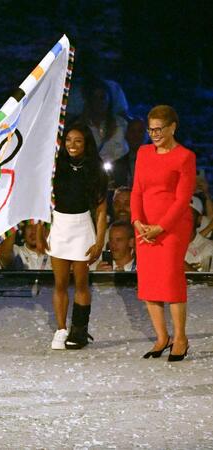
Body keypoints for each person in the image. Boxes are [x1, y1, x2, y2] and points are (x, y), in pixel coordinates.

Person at [131, 105, 196, 362]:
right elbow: (136, 190)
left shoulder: (185, 157)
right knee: (149, 283)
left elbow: (182, 200)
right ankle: (162, 337)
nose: (154, 134)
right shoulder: (143, 152)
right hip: (144, 227)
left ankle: (180, 338)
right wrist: (137, 221)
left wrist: (161, 227)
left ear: (172, 127)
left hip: (172, 228)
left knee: (170, 280)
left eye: (159, 129)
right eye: (151, 129)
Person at [37, 122, 108, 350]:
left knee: (80, 282)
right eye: (68, 140)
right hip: (59, 225)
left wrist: (99, 242)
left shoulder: (95, 169)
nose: (72, 145)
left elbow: (101, 210)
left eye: (77, 141)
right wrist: (41, 232)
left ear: (86, 143)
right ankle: (60, 329)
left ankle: (79, 330)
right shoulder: (55, 166)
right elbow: (43, 203)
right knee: (59, 283)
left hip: (82, 226)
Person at [74, 78, 130, 188]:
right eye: (95, 98)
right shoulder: (79, 127)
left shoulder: (121, 124)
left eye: (102, 97)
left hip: (118, 177)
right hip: (90, 179)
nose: (99, 102)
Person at [185, 196, 213, 272]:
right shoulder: (163, 244)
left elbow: (208, 282)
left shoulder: (209, 247)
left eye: (189, 214)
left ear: (199, 220)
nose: (182, 218)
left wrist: (179, 264)